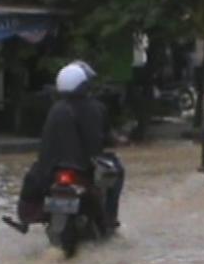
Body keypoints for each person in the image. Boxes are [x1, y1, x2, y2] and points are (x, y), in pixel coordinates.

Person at [10, 60, 124, 232]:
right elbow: (103, 138)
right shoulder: (96, 108)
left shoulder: (55, 109)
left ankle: (26, 220)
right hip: (84, 169)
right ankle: (110, 219)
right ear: (84, 85)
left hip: (52, 170)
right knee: (118, 172)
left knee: (32, 177)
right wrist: (118, 140)